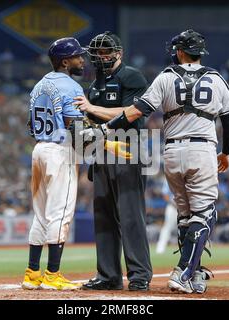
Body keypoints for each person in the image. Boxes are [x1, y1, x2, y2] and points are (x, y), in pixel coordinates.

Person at [75, 29, 229, 294]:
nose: (100, 57)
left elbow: (137, 112)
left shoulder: (158, 76)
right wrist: (226, 152)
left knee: (173, 215)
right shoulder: (217, 78)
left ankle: (165, 272)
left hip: (160, 148)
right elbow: (228, 122)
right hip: (198, 148)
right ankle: (186, 271)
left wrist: (100, 124)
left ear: (180, 52)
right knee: (201, 213)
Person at [77, 31, 153, 291]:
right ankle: (108, 275)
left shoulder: (132, 76)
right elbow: (92, 123)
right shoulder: (95, 82)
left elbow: (131, 113)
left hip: (129, 150)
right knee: (104, 216)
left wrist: (91, 109)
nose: (101, 56)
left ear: (118, 53)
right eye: (97, 52)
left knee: (131, 215)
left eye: (106, 51)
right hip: (102, 151)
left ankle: (139, 276)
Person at [21, 37, 86, 290]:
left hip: (39, 150)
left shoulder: (38, 86)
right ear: (65, 61)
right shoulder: (71, 87)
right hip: (60, 151)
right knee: (60, 214)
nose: (82, 60)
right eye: (78, 56)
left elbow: (30, 125)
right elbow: (76, 125)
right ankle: (52, 275)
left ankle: (32, 273)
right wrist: (102, 144)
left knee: (41, 214)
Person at [155, 181, 178, 254]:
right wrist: (173, 203)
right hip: (172, 206)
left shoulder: (186, 174)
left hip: (184, 206)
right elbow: (165, 194)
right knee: (167, 227)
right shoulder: (169, 176)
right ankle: (160, 248)